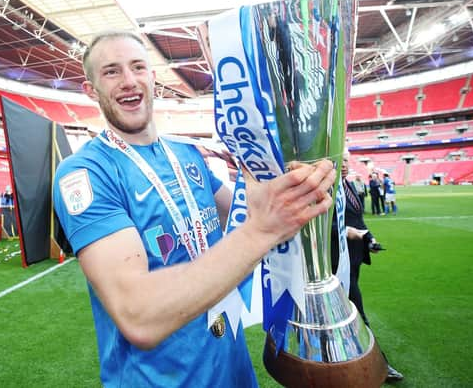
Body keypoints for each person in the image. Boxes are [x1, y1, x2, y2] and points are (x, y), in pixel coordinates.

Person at [52, 30, 336, 388]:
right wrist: (261, 230)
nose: (128, 81)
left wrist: (298, 172)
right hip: (160, 380)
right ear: (90, 90)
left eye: (138, 67)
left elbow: (248, 210)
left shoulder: (187, 153)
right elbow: (137, 314)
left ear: (152, 78)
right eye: (111, 71)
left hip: (232, 371)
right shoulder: (85, 174)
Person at [331, 152, 403, 382]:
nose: (343, 165)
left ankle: (340, 360)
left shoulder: (349, 186)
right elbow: (320, 224)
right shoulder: (325, 190)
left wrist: (368, 238)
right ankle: (379, 365)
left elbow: (358, 221)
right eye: (338, 160)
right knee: (357, 312)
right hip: (335, 262)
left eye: (345, 161)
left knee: (344, 311)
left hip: (352, 259)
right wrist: (346, 232)